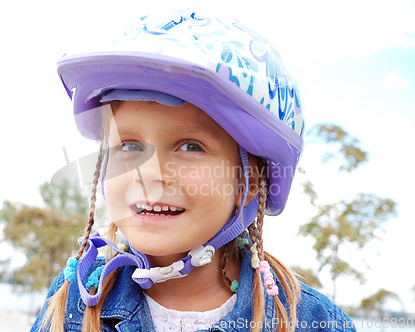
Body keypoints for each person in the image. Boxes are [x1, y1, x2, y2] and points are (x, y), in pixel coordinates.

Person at [31, 8, 356, 332]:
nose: (148, 173)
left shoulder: (310, 322)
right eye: (129, 146)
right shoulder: (76, 295)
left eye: (190, 146)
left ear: (250, 182)